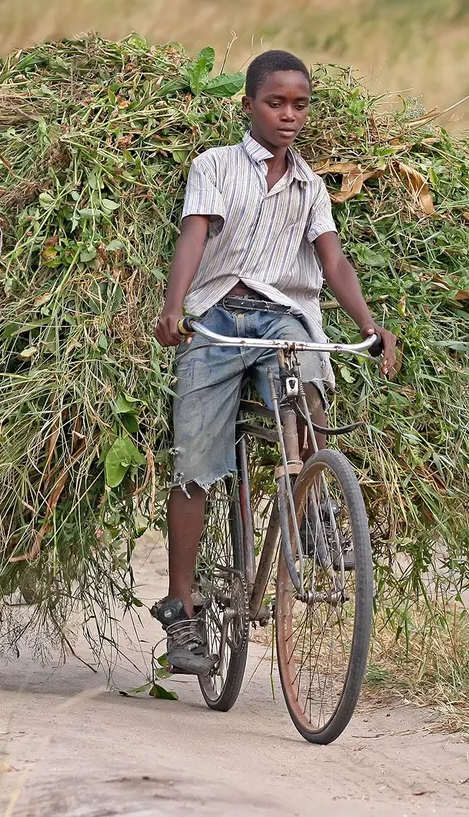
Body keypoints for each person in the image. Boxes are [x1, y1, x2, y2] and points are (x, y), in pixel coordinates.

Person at [151, 49, 398, 675]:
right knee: (195, 461)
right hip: (217, 316)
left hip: (281, 314)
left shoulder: (311, 186)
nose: (289, 116)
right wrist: (174, 309)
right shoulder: (216, 166)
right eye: (275, 103)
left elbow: (333, 262)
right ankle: (182, 604)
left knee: (306, 379)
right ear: (250, 106)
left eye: (300, 105)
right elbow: (195, 236)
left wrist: (370, 325)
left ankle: (314, 508)